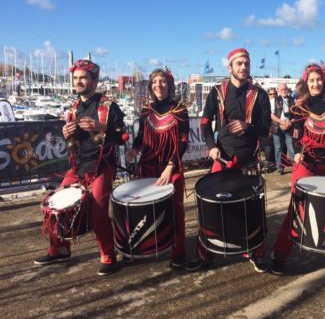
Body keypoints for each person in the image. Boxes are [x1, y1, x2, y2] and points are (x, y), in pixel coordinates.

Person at [35, 60, 126, 276]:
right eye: (75, 78)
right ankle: (59, 248)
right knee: (54, 205)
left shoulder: (108, 105)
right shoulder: (72, 108)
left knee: (97, 210)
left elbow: (122, 136)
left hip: (103, 165)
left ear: (94, 80)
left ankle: (108, 255)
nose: (78, 81)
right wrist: (67, 134)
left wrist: (101, 127)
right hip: (79, 166)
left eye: (83, 77)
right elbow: (71, 144)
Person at [187, 48, 271, 273]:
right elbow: (204, 124)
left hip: (249, 160)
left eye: (246, 63)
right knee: (211, 208)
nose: (243, 67)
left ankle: (257, 252)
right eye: (239, 63)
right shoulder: (216, 92)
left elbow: (266, 130)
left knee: (253, 208)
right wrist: (211, 147)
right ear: (230, 66)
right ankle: (205, 252)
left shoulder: (260, 95)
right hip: (222, 158)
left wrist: (248, 126)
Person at [271, 62, 325, 275]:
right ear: (306, 83)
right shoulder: (299, 107)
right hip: (307, 163)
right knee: (297, 207)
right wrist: (297, 151)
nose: (315, 84)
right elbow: (297, 137)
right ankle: (280, 255)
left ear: (324, 81)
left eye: (318, 80)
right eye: (311, 81)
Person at [125, 67, 189, 268]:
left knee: (175, 211)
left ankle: (177, 252)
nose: (158, 85)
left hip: (171, 166)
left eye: (162, 82)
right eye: (154, 82)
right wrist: (134, 151)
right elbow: (139, 137)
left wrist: (171, 166)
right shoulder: (146, 110)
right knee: (142, 210)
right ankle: (142, 246)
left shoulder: (179, 109)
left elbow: (183, 142)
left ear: (169, 85)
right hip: (148, 166)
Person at [271, 83, 295, 175]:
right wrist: (282, 123)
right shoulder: (274, 100)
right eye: (281, 90)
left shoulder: (293, 100)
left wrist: (289, 123)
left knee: (291, 148)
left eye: (285, 89)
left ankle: (295, 166)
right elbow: (272, 115)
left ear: (288, 90)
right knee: (278, 148)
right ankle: (279, 167)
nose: (284, 91)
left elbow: (296, 114)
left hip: (289, 127)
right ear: (278, 91)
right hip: (277, 127)